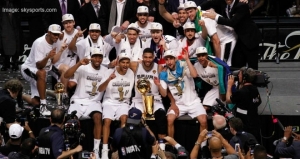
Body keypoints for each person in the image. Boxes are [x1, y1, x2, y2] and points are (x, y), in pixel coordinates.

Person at [64, 48, 107, 159]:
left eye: (100, 57)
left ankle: (96, 149)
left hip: (94, 102)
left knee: (98, 117)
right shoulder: (83, 67)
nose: (97, 59)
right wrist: (78, 63)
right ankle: (68, 148)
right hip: (78, 100)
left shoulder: (105, 70)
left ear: (102, 58)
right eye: (95, 56)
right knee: (71, 121)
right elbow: (66, 75)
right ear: (91, 57)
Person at [155, 49, 207, 138]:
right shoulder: (164, 74)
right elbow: (164, 94)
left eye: (171, 59)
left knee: (203, 120)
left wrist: (187, 60)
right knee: (169, 119)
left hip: (193, 101)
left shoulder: (183, 65)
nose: (169, 61)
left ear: (175, 59)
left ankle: (203, 146)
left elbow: (194, 75)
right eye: (166, 59)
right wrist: (159, 85)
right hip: (179, 104)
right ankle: (172, 146)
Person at [20, 24, 67, 116]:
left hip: (45, 69)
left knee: (35, 102)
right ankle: (43, 105)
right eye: (54, 34)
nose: (56, 37)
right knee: (42, 73)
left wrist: (61, 50)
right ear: (48, 33)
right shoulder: (39, 43)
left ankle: (21, 95)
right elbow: (39, 65)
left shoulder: (56, 40)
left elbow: (53, 61)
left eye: (58, 34)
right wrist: (48, 56)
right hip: (30, 69)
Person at [203, 0, 261, 69]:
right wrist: (196, 8)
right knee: (238, 65)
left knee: (252, 67)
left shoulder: (242, 5)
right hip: (239, 38)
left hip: (250, 38)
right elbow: (210, 3)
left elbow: (232, 22)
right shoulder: (224, 4)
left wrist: (215, 17)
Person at [98, 52, 135, 159]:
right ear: (118, 62)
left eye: (127, 62)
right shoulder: (109, 71)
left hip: (123, 102)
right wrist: (109, 79)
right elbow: (100, 89)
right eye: (123, 62)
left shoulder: (131, 73)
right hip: (109, 101)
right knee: (107, 120)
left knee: (124, 118)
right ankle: (105, 149)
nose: (125, 65)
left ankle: (121, 147)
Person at [129, 48, 167, 140]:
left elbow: (164, 94)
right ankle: (134, 144)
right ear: (142, 57)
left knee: (161, 115)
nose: (148, 59)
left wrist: (158, 84)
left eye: (150, 57)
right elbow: (121, 63)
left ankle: (161, 147)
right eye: (145, 57)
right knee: (133, 115)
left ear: (154, 57)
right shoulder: (135, 65)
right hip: (139, 100)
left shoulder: (159, 68)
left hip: (155, 101)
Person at [53, 13, 84, 99]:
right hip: (60, 62)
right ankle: (64, 94)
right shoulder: (59, 35)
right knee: (66, 69)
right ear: (63, 24)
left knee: (72, 84)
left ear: (74, 22)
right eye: (66, 23)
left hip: (73, 63)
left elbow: (75, 49)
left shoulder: (79, 34)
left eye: (70, 22)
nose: (68, 25)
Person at [226, 67, 262, 139]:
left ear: (244, 77)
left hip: (243, 123)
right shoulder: (255, 89)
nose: (238, 76)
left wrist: (229, 86)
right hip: (254, 120)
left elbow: (228, 100)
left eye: (240, 74)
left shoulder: (241, 92)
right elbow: (259, 101)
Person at [0, 0, 22, 71]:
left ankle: (14, 62)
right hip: (4, 12)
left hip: (14, 9)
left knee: (15, 38)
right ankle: (6, 62)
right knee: (4, 37)